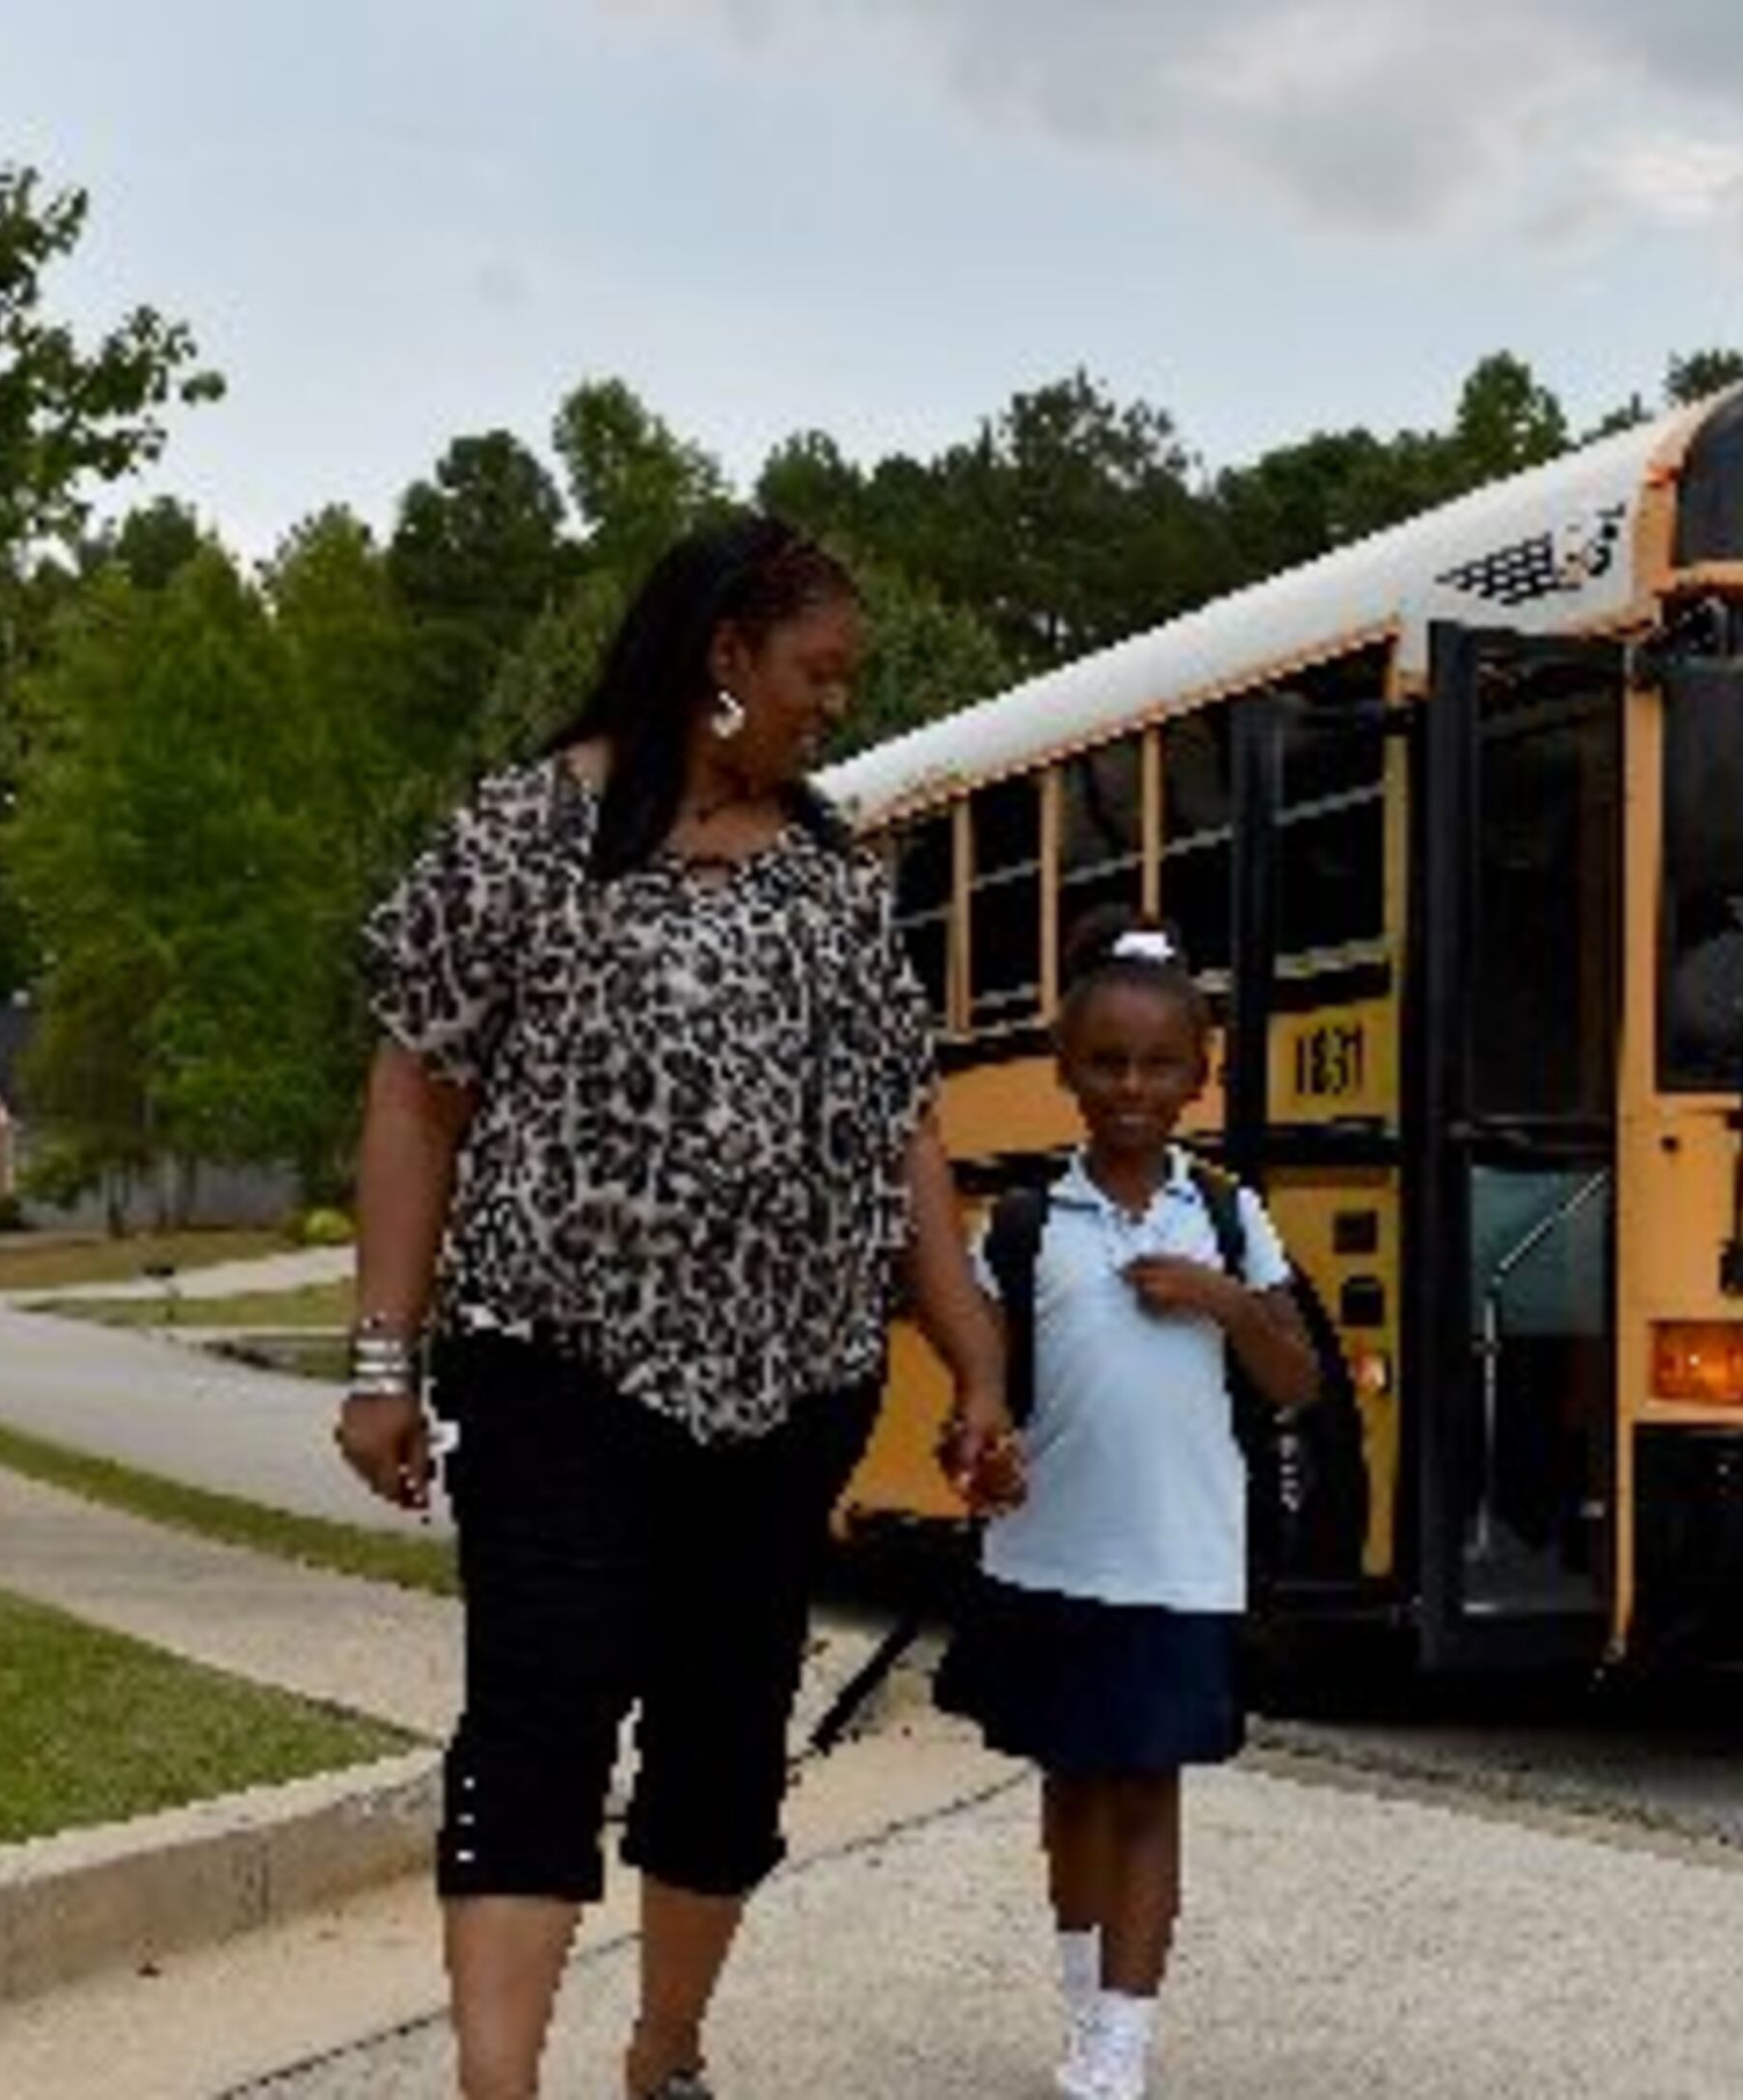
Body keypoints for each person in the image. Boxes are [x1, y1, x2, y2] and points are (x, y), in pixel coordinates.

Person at [336, 511, 1015, 2100]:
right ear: (724, 655)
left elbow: (900, 1130)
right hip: (555, 1371)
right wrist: (383, 1361)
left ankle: (666, 2055)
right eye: (815, 674)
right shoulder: (521, 834)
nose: (830, 708)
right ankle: (499, 2087)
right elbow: (413, 1102)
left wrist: (974, 1357)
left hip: (789, 1391)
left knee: (723, 1746)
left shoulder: (834, 879)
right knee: (539, 1728)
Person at [933, 912, 1320, 2100]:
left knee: (1148, 1790)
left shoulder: (1226, 1213)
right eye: (1107, 1063)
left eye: (1160, 1066)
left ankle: (1121, 2048)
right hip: (1048, 1559)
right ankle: (1080, 1992)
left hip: (1181, 1561)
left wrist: (1224, 1301)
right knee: (1073, 1787)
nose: (1133, 1087)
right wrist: (978, 1455)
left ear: (1200, 1077)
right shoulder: (1025, 1223)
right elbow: (978, 1398)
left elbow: (1297, 1376)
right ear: (1066, 1069)